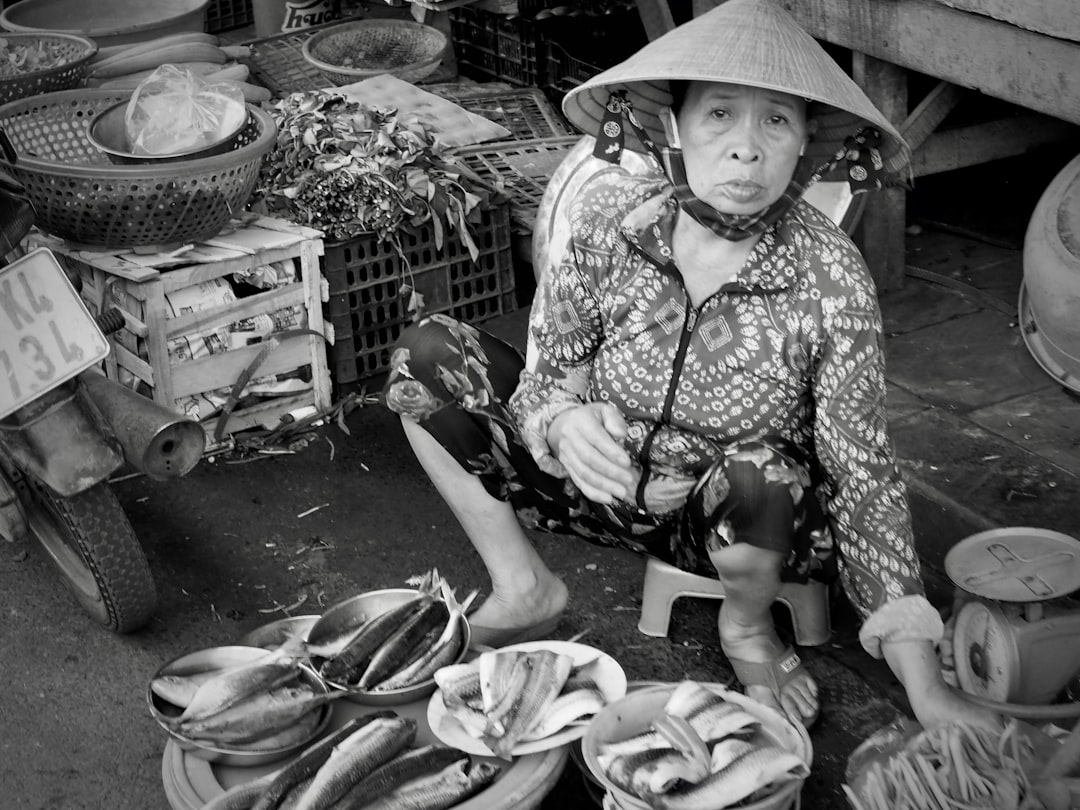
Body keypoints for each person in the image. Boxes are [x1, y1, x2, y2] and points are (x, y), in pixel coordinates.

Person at [382, 0, 1000, 731]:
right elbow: (550, 370)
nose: (747, 147)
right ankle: (524, 586)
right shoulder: (611, 224)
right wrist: (561, 417)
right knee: (425, 358)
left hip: (736, 528)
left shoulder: (830, 278)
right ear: (673, 126)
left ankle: (745, 628)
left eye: (776, 120)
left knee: (761, 476)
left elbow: (862, 475)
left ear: (805, 142)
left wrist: (926, 686)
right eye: (719, 115)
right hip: (596, 489)